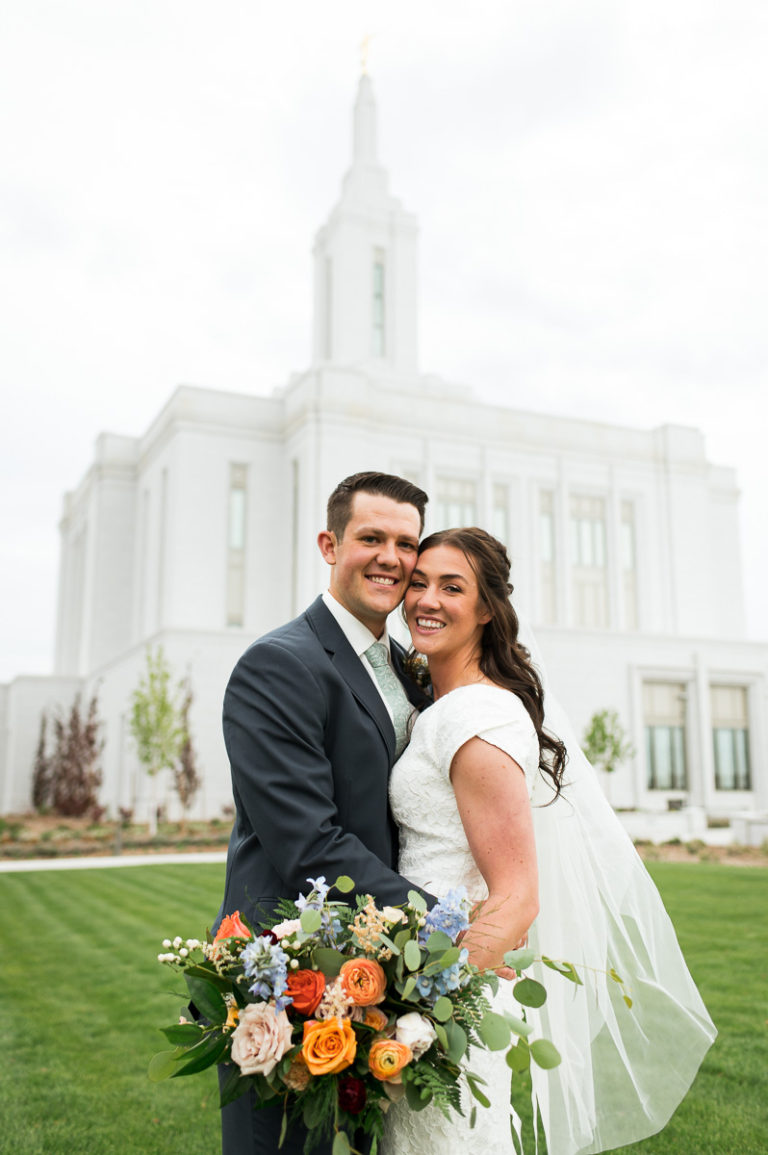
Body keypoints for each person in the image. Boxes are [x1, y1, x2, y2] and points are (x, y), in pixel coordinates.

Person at [383, 527, 717, 1155]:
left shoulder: (475, 716)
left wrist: (423, 1012)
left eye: (451, 587)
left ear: (487, 609)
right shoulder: (443, 707)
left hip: (440, 997)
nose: (426, 599)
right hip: (420, 967)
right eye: (419, 583)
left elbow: (517, 897)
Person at [215, 471, 433, 1155]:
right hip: (286, 977)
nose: (391, 558)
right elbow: (307, 843)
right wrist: (441, 920)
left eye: (406, 543)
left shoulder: (408, 666)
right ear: (329, 545)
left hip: (376, 971)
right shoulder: (279, 664)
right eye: (372, 538)